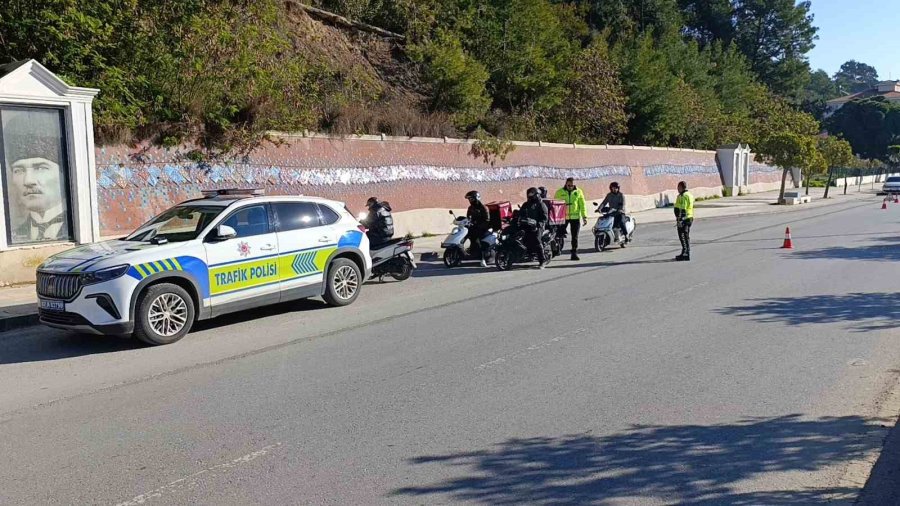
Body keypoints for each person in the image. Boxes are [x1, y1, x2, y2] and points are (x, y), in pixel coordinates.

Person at [5, 110, 69, 244]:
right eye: (18, 170)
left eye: (40, 168)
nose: (28, 181)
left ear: (63, 173)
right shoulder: (17, 234)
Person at [554, 177, 587, 261]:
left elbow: (582, 205)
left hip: (575, 217)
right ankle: (557, 248)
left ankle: (574, 253)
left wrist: (584, 217)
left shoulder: (578, 192)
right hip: (563, 217)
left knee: (574, 237)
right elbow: (555, 205)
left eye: (572, 185)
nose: (570, 187)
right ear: (566, 184)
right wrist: (555, 217)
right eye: (568, 185)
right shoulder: (559, 192)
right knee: (559, 234)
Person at [520, 187, 548, 269]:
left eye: (532, 193)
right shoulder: (526, 204)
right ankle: (528, 254)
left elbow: (545, 218)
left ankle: (542, 261)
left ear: (537, 195)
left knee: (536, 239)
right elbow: (520, 213)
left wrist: (539, 224)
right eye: (529, 194)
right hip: (527, 225)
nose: (530, 195)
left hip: (538, 226)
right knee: (521, 236)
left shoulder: (541, 204)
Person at [465, 190, 490, 267]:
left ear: (476, 198)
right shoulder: (470, 208)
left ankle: (483, 259)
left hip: (483, 228)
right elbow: (468, 218)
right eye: (469, 199)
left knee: (478, 239)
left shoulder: (483, 208)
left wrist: (478, 225)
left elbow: (487, 220)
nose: (470, 201)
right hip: (473, 227)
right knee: (465, 234)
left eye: (471, 199)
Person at [674, 181, 695, 261]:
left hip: (684, 219)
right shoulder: (690, 195)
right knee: (686, 236)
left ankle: (686, 253)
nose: (677, 189)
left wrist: (680, 220)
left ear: (682, 187)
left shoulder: (683, 196)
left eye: (678, 187)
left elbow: (683, 208)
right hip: (689, 218)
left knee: (682, 235)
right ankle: (685, 251)